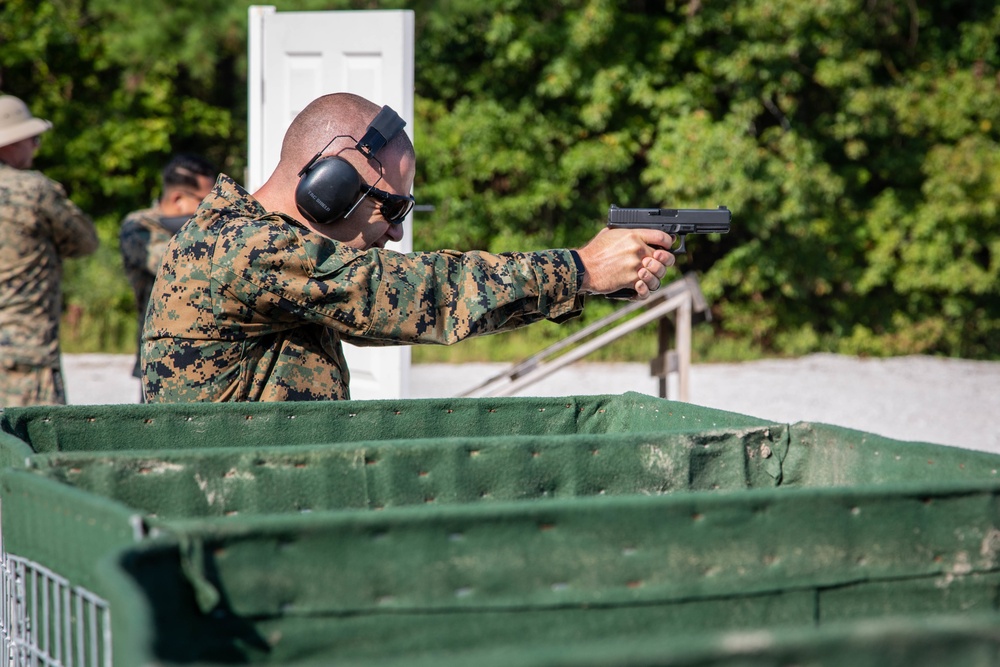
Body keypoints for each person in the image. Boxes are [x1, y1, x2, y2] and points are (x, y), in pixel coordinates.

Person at [141, 92, 675, 403]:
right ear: (329, 186)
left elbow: (407, 311)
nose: (395, 232)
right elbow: (418, 295)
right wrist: (580, 269)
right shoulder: (245, 248)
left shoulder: (249, 243)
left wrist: (591, 279)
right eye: (390, 207)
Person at [0, 94, 99, 407]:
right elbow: (84, 241)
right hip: (23, 358)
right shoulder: (32, 190)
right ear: (9, 143)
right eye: (33, 138)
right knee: (34, 450)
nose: (37, 146)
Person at [119, 153, 217, 385]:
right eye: (205, 201)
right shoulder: (140, 226)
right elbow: (182, 264)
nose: (212, 208)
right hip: (161, 355)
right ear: (178, 199)